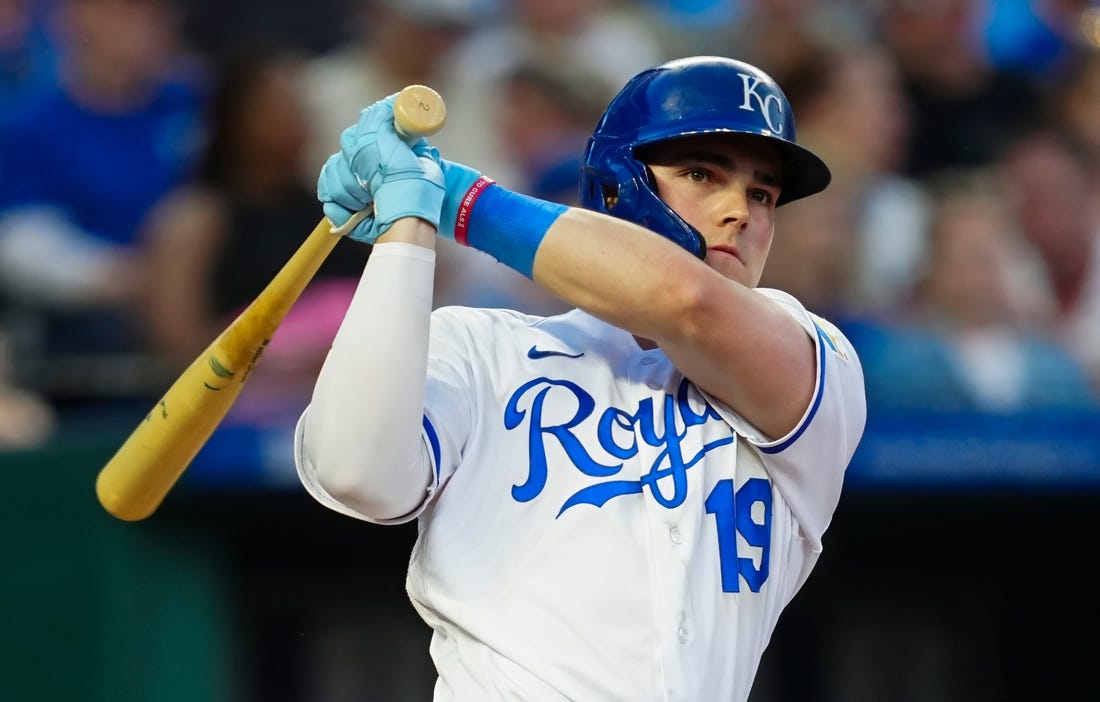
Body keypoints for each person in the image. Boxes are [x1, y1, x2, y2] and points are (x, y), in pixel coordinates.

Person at [296, 56, 867, 701]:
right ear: (617, 189)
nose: (739, 210)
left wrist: (449, 195)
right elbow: (353, 472)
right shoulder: (485, 348)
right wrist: (407, 227)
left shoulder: (821, 361)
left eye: (761, 193)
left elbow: (689, 304)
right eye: (701, 174)